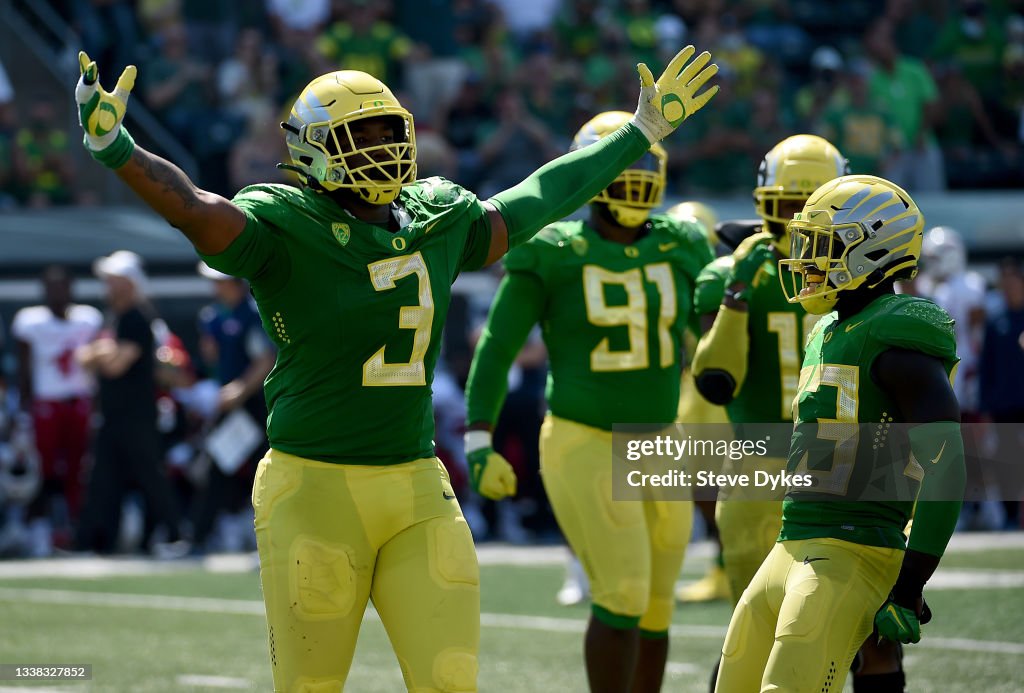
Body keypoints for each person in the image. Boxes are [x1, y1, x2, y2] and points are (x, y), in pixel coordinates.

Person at [73, 44, 718, 691]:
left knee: (450, 681)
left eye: (389, 133)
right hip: (313, 488)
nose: (380, 149)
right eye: (359, 136)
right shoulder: (287, 227)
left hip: (415, 487)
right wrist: (117, 148)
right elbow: (194, 208)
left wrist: (640, 133)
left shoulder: (437, 218)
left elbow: (538, 197)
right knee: (311, 685)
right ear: (311, 150)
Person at [464, 110, 713, 693]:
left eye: (642, 162)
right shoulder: (554, 248)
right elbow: (498, 347)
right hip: (586, 438)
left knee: (656, 607)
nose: (633, 177)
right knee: (621, 593)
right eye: (621, 162)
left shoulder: (682, 243)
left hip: (663, 440)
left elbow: (714, 337)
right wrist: (479, 437)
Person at [715, 174, 965, 692]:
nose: (806, 259)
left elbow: (946, 466)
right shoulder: (826, 330)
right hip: (792, 542)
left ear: (873, 252)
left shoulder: (897, 332)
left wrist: (911, 581)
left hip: (852, 550)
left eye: (823, 245)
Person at [688, 135, 847, 686]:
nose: (796, 224)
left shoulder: (860, 278)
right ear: (762, 202)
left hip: (846, 462)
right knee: (753, 635)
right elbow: (715, 382)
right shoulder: (735, 273)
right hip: (759, 465)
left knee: (865, 640)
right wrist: (737, 290)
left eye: (811, 208)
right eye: (785, 207)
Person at [74, 251, 184, 555]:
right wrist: (101, 352)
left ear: (128, 284)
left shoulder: (137, 318)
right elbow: (84, 357)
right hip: (112, 415)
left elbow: (114, 365)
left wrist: (99, 353)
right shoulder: (116, 318)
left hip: (137, 416)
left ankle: (177, 534)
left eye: (113, 281)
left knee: (151, 476)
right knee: (100, 479)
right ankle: (90, 541)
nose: (107, 287)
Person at [11, 265, 102, 555]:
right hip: (46, 405)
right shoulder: (30, 321)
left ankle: (75, 529)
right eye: (52, 287)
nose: (57, 292)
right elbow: (24, 370)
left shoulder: (88, 319)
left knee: (78, 469)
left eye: (62, 286)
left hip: (78, 402)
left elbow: (97, 366)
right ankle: (39, 528)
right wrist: (22, 410)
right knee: (44, 470)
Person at [191, 262, 275, 553]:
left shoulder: (253, 315)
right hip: (228, 408)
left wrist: (238, 391)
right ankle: (200, 537)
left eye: (221, 282)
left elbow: (264, 360)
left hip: (253, 407)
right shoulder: (212, 317)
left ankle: (268, 535)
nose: (216, 288)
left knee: (264, 470)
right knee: (218, 467)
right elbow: (212, 362)